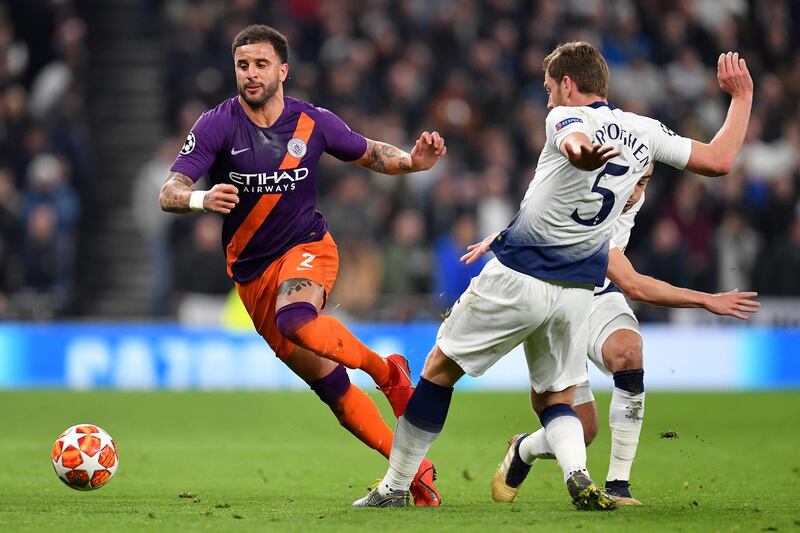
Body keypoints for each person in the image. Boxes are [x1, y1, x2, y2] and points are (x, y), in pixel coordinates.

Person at [354, 42, 752, 510]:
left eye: (548, 89)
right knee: (557, 398)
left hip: (521, 275)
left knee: (439, 370)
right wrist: (741, 99)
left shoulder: (564, 116)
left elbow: (572, 140)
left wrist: (582, 154)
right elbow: (719, 160)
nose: (547, 100)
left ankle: (395, 488)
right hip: (578, 291)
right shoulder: (646, 131)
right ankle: (580, 475)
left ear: (567, 84)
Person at [159, 25, 446, 506]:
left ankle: (387, 373)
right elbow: (169, 192)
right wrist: (201, 198)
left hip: (308, 247)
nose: (250, 74)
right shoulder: (216, 124)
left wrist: (413, 164)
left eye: (261, 64)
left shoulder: (312, 122)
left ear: (283, 70)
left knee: (297, 320)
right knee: (331, 388)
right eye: (243, 65)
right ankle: (411, 474)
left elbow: (371, 153)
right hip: (252, 276)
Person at [487, 166, 760, 506]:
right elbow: (633, 284)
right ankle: (524, 448)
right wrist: (706, 299)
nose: (633, 193)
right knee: (582, 432)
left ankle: (618, 484)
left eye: (643, 183)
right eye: (630, 182)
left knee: (629, 349)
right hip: (554, 303)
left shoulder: (633, 194)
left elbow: (715, 160)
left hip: (598, 295)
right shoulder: (587, 203)